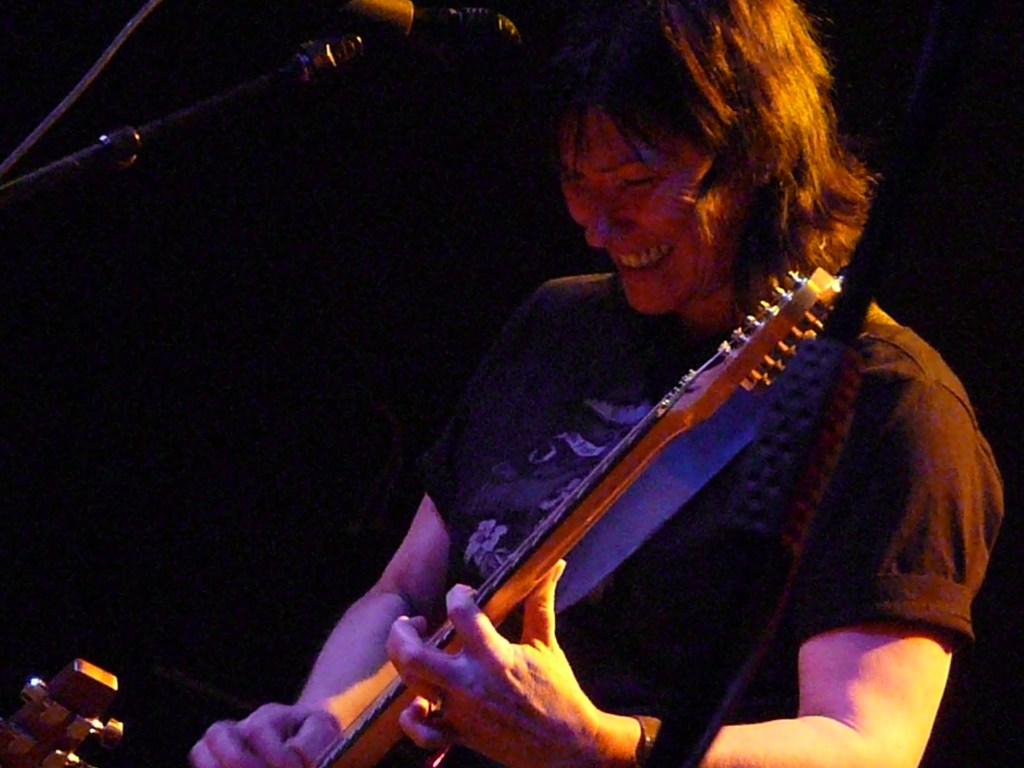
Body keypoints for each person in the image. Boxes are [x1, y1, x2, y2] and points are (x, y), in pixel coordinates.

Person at [188, 1, 1003, 767]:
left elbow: (868, 743)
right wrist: (320, 728)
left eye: (636, 185)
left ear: (756, 161)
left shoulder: (891, 405)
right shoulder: (557, 325)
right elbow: (406, 590)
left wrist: (610, 748)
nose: (598, 226)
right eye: (578, 182)